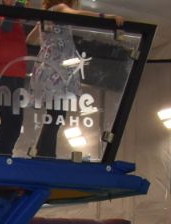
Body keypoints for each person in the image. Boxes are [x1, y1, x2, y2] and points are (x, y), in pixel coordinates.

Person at [29, 0, 124, 158]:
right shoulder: (60, 8)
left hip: (46, 66)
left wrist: (48, 40)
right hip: (57, 69)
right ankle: (44, 153)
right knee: (57, 114)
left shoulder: (47, 15)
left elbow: (30, 39)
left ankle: (45, 152)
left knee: (55, 114)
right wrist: (107, 16)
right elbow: (78, 14)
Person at [0, 0, 30, 156]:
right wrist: (19, 5)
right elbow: (5, 26)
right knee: (12, 123)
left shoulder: (8, 21)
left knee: (10, 123)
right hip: (8, 77)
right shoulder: (6, 19)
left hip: (9, 78)